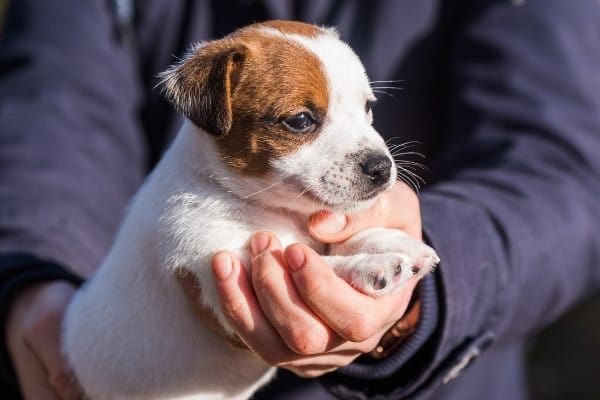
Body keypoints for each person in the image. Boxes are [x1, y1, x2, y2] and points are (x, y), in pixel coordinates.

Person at [1, 0, 599, 399]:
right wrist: (30, 272)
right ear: (215, 111)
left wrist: (434, 287)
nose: (372, 152)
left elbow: (567, 167)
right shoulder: (189, 220)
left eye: (365, 108)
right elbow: (54, 109)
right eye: (301, 120)